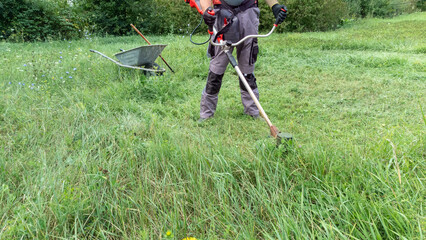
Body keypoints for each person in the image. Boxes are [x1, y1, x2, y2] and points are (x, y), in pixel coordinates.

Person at [198, 0, 287, 122]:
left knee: (247, 69)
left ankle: (252, 111)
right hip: (222, 15)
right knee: (216, 69)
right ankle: (206, 114)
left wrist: (275, 6)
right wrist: (207, 10)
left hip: (249, 12)